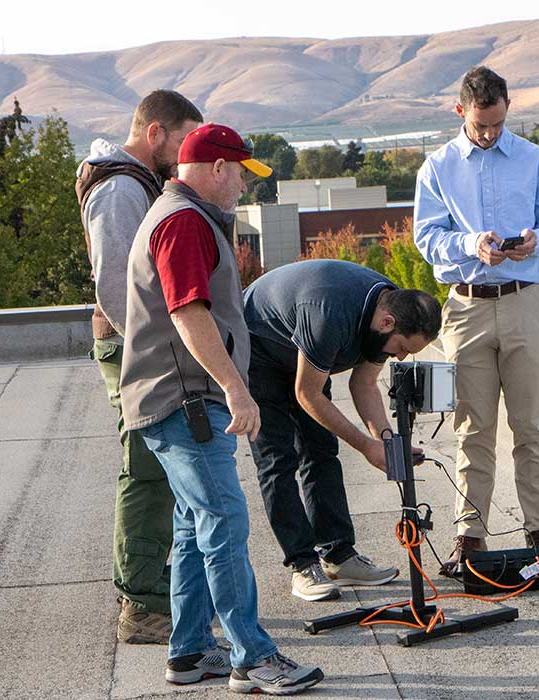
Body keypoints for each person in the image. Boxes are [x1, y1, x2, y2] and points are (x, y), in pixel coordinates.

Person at [121, 123, 322, 694]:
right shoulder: (185, 222)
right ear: (214, 168)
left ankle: (189, 654)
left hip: (170, 398)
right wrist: (236, 387)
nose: (242, 186)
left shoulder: (178, 214)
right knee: (225, 523)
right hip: (187, 402)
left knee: (193, 526)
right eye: (239, 173)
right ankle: (253, 658)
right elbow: (188, 313)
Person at [412, 66, 539, 575]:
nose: (490, 134)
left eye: (498, 124)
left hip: (526, 300)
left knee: (531, 427)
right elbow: (427, 237)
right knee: (471, 429)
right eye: (482, 125)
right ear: (461, 112)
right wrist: (470, 243)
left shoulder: (536, 160)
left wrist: (535, 242)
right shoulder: (435, 169)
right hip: (466, 306)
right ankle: (470, 538)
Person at [76, 89, 201, 644]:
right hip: (133, 348)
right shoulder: (121, 187)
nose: (183, 152)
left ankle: (151, 589)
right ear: (154, 133)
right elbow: (116, 284)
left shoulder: (131, 181)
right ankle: (143, 607)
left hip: (140, 346)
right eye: (179, 140)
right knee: (147, 470)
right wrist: (154, 350)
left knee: (156, 471)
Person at [242, 260, 442, 602]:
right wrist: (365, 446)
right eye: (403, 348)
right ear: (387, 323)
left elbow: (364, 383)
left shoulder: (388, 307)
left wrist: (386, 443)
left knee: (321, 450)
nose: (400, 357)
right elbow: (308, 394)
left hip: (304, 349)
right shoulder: (328, 314)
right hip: (258, 345)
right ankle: (303, 564)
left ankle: (338, 556)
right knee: (278, 460)